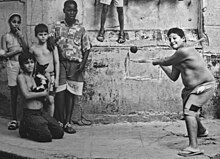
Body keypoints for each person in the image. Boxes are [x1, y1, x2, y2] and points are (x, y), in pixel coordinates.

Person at [152, 27, 216, 157]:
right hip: (190, 90)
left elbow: (167, 60)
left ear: (183, 39)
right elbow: (173, 77)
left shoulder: (184, 52)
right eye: (169, 39)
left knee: (189, 112)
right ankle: (201, 131)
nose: (171, 41)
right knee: (190, 111)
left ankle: (194, 147)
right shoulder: (177, 58)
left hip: (204, 86)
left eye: (174, 38)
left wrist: (159, 61)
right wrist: (162, 64)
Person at [52, 0, 92, 133]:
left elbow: (87, 48)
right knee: (60, 91)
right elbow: (50, 40)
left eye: (74, 10)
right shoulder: (57, 26)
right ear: (64, 10)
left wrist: (83, 64)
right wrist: (51, 41)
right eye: (69, 10)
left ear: (76, 12)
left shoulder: (81, 28)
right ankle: (60, 120)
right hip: (61, 63)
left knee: (71, 93)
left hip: (75, 65)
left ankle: (68, 122)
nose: (71, 13)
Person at [17, 52, 64, 142]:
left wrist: (49, 80)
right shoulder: (21, 77)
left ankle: (39, 125)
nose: (30, 65)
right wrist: (42, 93)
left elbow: (46, 93)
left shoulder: (37, 76)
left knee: (59, 132)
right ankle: (25, 127)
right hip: (30, 113)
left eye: (31, 62)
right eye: (27, 63)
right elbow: (26, 95)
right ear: (22, 65)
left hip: (41, 112)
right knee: (46, 137)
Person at [0, 13, 28, 130]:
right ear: (9, 22)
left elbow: (26, 50)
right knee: (13, 93)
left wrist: (21, 37)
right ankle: (14, 119)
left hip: (22, 66)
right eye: (13, 21)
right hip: (12, 65)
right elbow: (3, 54)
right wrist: (16, 51)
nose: (16, 24)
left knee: (24, 92)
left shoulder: (21, 35)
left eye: (18, 22)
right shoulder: (5, 36)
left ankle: (23, 119)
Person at [30, 23, 60, 117]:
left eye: (45, 34)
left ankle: (50, 122)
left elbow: (56, 62)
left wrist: (57, 79)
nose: (43, 37)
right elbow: (31, 65)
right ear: (36, 35)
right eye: (40, 34)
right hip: (39, 77)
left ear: (47, 34)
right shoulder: (33, 48)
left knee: (51, 99)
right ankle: (41, 122)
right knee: (40, 99)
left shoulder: (51, 46)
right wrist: (31, 79)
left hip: (51, 75)